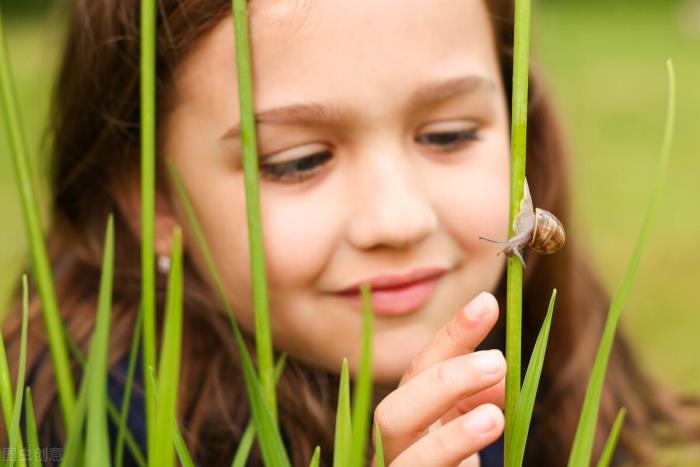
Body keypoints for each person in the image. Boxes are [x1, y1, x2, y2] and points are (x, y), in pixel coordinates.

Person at [2, 0, 699, 465]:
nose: (397, 220)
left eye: (450, 134)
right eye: (298, 161)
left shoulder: (545, 357)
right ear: (151, 202)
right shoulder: (84, 426)